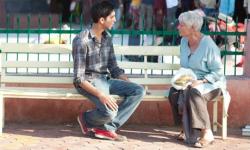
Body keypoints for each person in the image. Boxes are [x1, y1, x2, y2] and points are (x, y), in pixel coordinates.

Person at [72, 1, 145, 141]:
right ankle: (86, 118)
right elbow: (79, 79)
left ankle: (107, 128)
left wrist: (129, 84)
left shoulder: (107, 37)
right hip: (88, 82)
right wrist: (101, 95)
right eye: (112, 17)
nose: (115, 19)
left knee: (138, 90)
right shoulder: (81, 41)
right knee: (110, 112)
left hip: (105, 80)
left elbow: (114, 68)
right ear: (101, 20)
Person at [168, 10, 230, 148]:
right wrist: (183, 79)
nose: (178, 27)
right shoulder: (184, 41)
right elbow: (186, 66)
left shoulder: (209, 45)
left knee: (194, 93)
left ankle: (207, 133)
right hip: (191, 81)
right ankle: (185, 128)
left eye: (182, 25)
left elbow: (218, 72)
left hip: (212, 83)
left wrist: (201, 81)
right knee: (173, 92)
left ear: (193, 28)